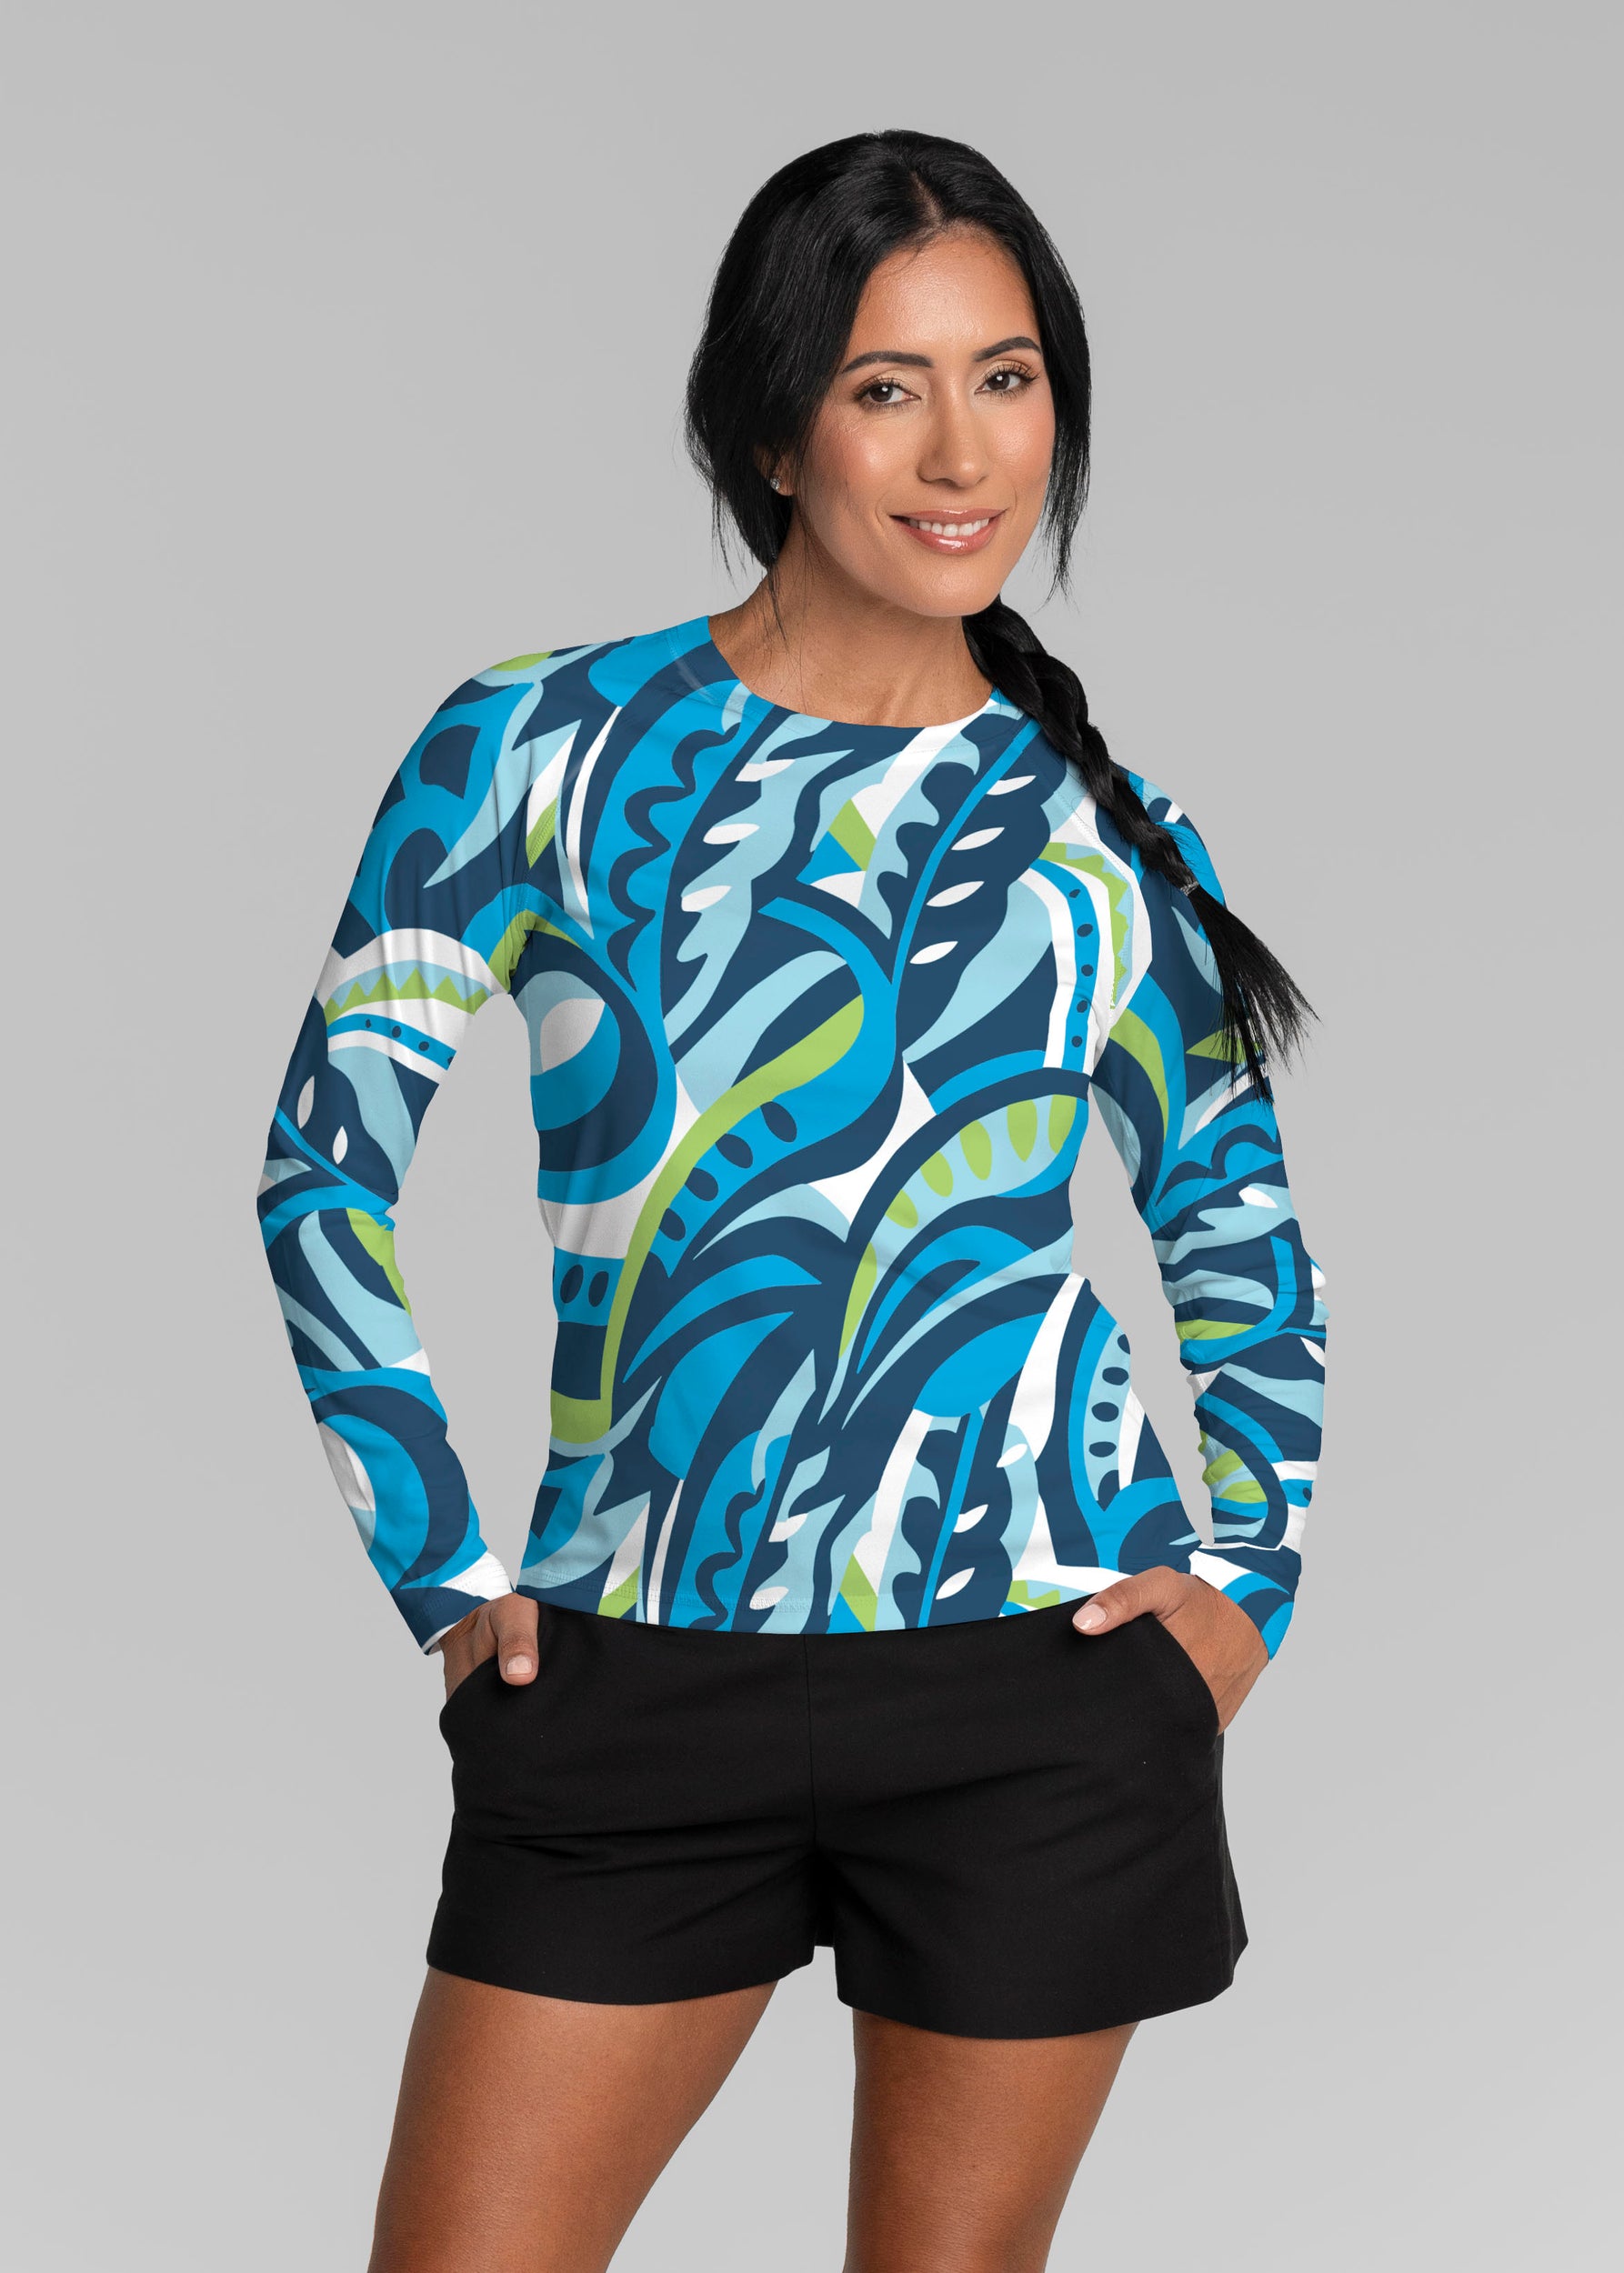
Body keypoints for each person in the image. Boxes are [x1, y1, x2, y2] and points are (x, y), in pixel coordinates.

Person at [256, 128, 1328, 2273]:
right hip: (636, 1680)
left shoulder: (1106, 825)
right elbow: (322, 1172)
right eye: (882, 387)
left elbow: (1232, 1231)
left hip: (1038, 1690)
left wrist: (1239, 1588)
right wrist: (444, 1575)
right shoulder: (536, 749)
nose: (960, 451)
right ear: (768, 429)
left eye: (1005, 379)